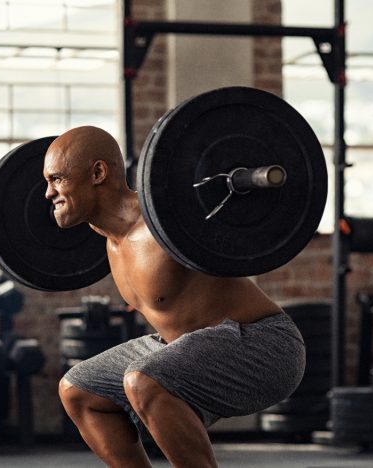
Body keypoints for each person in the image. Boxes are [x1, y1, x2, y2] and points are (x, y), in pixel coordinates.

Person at [44, 125, 305, 467]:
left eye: (57, 179)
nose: (48, 193)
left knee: (144, 380)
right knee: (78, 390)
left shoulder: (166, 219)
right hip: (183, 343)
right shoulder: (110, 241)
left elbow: (221, 215)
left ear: (97, 173)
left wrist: (247, 183)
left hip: (264, 345)